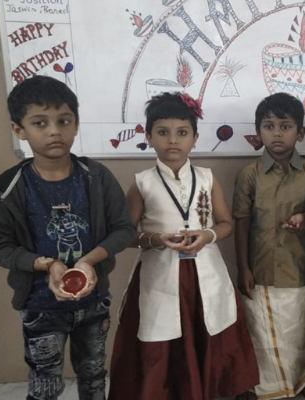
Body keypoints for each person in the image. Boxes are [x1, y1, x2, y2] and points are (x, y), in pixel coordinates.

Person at [0, 75, 135, 400]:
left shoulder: (97, 178)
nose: (54, 131)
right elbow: (0, 247)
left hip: (93, 303)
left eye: (64, 121)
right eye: (40, 123)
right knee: (45, 385)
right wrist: (47, 264)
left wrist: (89, 260)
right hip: (40, 306)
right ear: (19, 129)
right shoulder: (8, 189)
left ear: (76, 124)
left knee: (94, 376)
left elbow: (124, 229)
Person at [108, 92, 259, 400]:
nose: (173, 140)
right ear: (149, 137)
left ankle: (209, 388)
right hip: (160, 275)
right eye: (163, 132)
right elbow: (125, 234)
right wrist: (155, 239)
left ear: (195, 138)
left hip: (206, 273)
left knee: (211, 326)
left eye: (182, 132)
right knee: (162, 334)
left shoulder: (206, 178)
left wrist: (207, 236)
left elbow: (226, 223)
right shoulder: (142, 182)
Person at [233, 93, 305, 400]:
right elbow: (241, 222)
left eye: (285, 126)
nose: (276, 133)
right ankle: (260, 386)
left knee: (296, 329)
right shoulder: (249, 175)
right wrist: (243, 267)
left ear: (300, 132)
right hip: (259, 268)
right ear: (258, 131)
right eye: (268, 126)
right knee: (258, 331)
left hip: (297, 266)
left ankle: (302, 380)